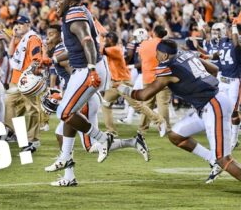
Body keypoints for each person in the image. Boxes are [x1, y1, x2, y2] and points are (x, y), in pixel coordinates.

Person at [117, 39, 241, 184]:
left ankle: (216, 160)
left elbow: (144, 95)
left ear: (163, 55)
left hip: (213, 105)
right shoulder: (186, 55)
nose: (156, 57)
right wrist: (199, 90)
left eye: (157, 54)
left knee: (223, 158)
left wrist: (123, 89)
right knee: (176, 135)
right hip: (208, 104)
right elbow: (213, 69)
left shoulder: (168, 68)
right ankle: (211, 159)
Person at [44, 25, 149, 186]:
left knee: (90, 146)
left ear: (60, 37)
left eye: (52, 35)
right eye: (47, 35)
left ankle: (70, 174)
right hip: (84, 99)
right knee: (61, 134)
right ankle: (69, 175)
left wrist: (63, 97)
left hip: (82, 101)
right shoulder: (58, 51)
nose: (48, 38)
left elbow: (76, 76)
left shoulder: (60, 51)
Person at [44, 0, 114, 172]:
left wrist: (91, 69)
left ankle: (103, 138)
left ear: (72, 1)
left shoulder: (73, 13)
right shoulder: (77, 12)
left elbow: (87, 41)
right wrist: (53, 59)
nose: (57, 2)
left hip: (87, 69)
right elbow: (76, 48)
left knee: (64, 113)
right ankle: (65, 158)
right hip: (84, 69)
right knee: (66, 116)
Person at [101, 31, 165, 135]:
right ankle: (111, 131)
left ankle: (159, 120)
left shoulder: (115, 49)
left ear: (111, 40)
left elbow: (100, 50)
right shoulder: (114, 47)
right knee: (105, 104)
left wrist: (98, 37)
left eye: (107, 39)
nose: (105, 41)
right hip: (115, 83)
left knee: (137, 106)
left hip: (123, 83)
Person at [5, 15, 43, 152]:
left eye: (22, 24)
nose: (19, 26)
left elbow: (36, 59)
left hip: (26, 81)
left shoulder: (32, 39)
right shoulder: (21, 39)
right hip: (15, 80)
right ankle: (16, 134)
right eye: (17, 23)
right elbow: (10, 53)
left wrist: (28, 76)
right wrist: (14, 36)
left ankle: (33, 140)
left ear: (29, 25)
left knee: (31, 109)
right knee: (10, 105)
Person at [137, 25, 172, 135]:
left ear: (153, 32)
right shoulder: (167, 45)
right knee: (163, 104)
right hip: (162, 78)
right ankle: (165, 128)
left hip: (147, 77)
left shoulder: (144, 44)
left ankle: (142, 128)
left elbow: (140, 58)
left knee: (146, 104)